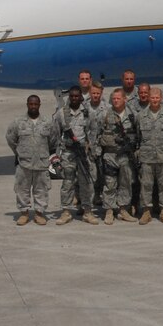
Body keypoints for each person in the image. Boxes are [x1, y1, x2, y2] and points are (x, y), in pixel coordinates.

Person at [52, 86, 99, 226]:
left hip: (83, 153)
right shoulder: (61, 114)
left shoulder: (88, 113)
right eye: (71, 96)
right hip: (68, 153)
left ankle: (87, 211)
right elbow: (55, 134)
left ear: (80, 97)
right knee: (67, 183)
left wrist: (90, 148)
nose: (74, 98)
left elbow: (93, 131)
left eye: (76, 96)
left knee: (86, 182)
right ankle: (66, 211)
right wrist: (58, 152)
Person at [6, 95, 57, 226]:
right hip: (24, 164)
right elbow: (11, 139)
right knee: (22, 189)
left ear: (39, 105)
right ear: (27, 105)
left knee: (41, 189)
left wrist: (45, 154)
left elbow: (53, 141)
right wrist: (20, 153)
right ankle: (24, 213)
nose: (33, 107)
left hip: (41, 163)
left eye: (35, 104)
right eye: (31, 104)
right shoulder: (18, 122)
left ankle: (39, 213)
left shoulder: (47, 122)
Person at [96, 89, 139, 224]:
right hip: (110, 154)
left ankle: (123, 209)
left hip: (126, 155)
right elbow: (97, 133)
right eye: (113, 98)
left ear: (124, 99)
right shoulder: (105, 115)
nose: (116, 101)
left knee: (126, 183)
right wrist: (97, 151)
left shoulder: (132, 115)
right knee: (109, 183)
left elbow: (138, 134)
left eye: (118, 98)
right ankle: (109, 210)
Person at [136, 87, 163, 226]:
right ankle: (146, 211)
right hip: (147, 156)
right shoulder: (141, 116)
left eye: (157, 97)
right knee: (146, 185)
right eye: (152, 97)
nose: (154, 100)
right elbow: (138, 136)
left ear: (161, 98)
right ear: (148, 98)